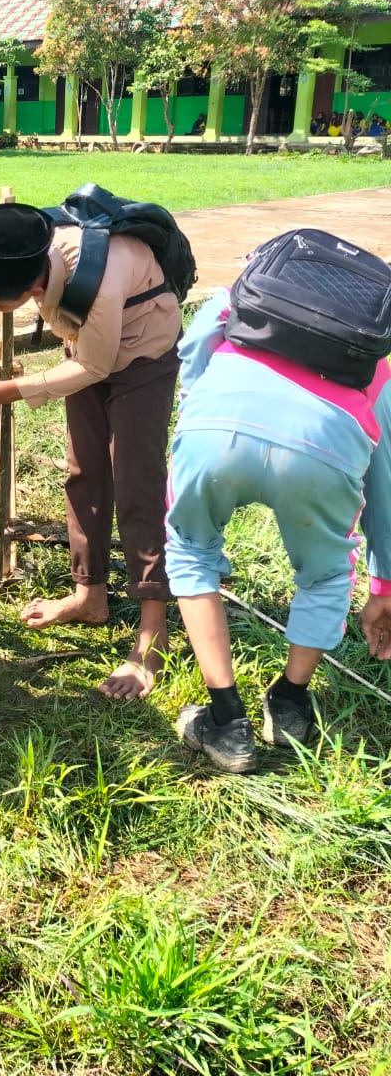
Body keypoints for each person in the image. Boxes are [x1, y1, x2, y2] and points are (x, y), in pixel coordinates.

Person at [0, 202, 182, 701]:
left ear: (30, 291)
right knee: (84, 472)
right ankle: (90, 596)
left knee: (137, 484)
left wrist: (2, 391)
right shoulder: (13, 249)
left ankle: (152, 636)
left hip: (142, 352)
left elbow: (95, 366)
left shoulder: (100, 277)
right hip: (87, 345)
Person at [165, 286, 391, 774]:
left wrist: (195, 408)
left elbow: (195, 342)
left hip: (215, 426)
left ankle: (226, 723)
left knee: (190, 550)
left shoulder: (249, 290)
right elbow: (385, 481)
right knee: (326, 576)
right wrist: (384, 586)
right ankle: (290, 703)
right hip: (327, 446)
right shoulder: (372, 345)